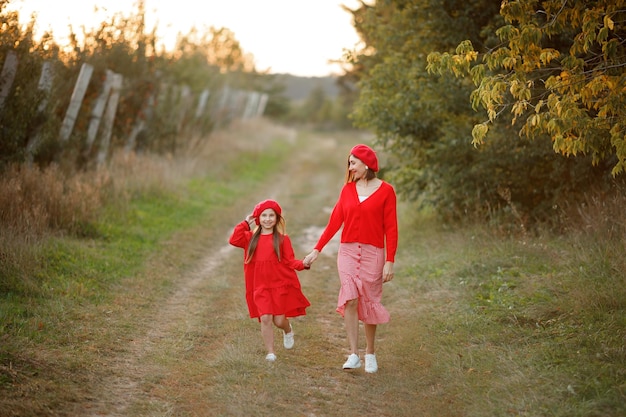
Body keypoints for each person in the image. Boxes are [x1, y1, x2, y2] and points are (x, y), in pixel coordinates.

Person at [303, 144, 398, 373]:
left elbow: (391, 228)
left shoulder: (386, 191)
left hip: (373, 253)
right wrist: (317, 249)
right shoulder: (347, 190)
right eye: (349, 163)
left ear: (367, 164)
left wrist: (389, 260)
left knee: (369, 301)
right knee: (351, 299)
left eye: (353, 162)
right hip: (346, 251)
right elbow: (335, 221)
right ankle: (354, 354)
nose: (350, 167)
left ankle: (370, 353)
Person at [229, 199, 311, 362]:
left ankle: (287, 330)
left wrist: (303, 264)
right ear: (258, 218)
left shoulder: (282, 239)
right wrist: (246, 222)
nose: (267, 219)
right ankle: (271, 352)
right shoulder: (250, 237)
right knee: (265, 317)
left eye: (271, 215)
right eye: (263, 215)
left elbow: (290, 261)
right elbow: (234, 239)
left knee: (279, 320)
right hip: (260, 286)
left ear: (277, 218)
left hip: (278, 284)